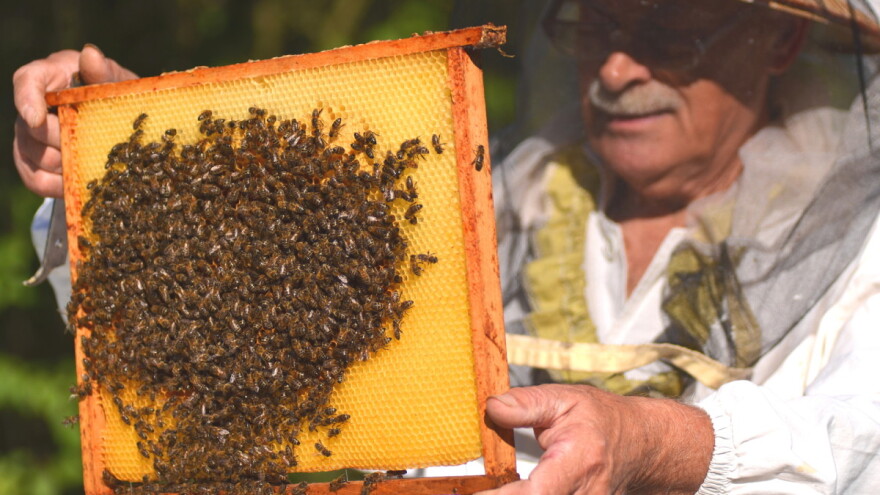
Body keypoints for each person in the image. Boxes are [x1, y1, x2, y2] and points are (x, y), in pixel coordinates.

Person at [12, 1, 880, 493]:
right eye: (594, 24)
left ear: (783, 38)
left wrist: (655, 442)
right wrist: (135, 161)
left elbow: (853, 446)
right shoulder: (472, 198)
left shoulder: (862, 244)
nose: (617, 70)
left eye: (667, 32)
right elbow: (220, 346)